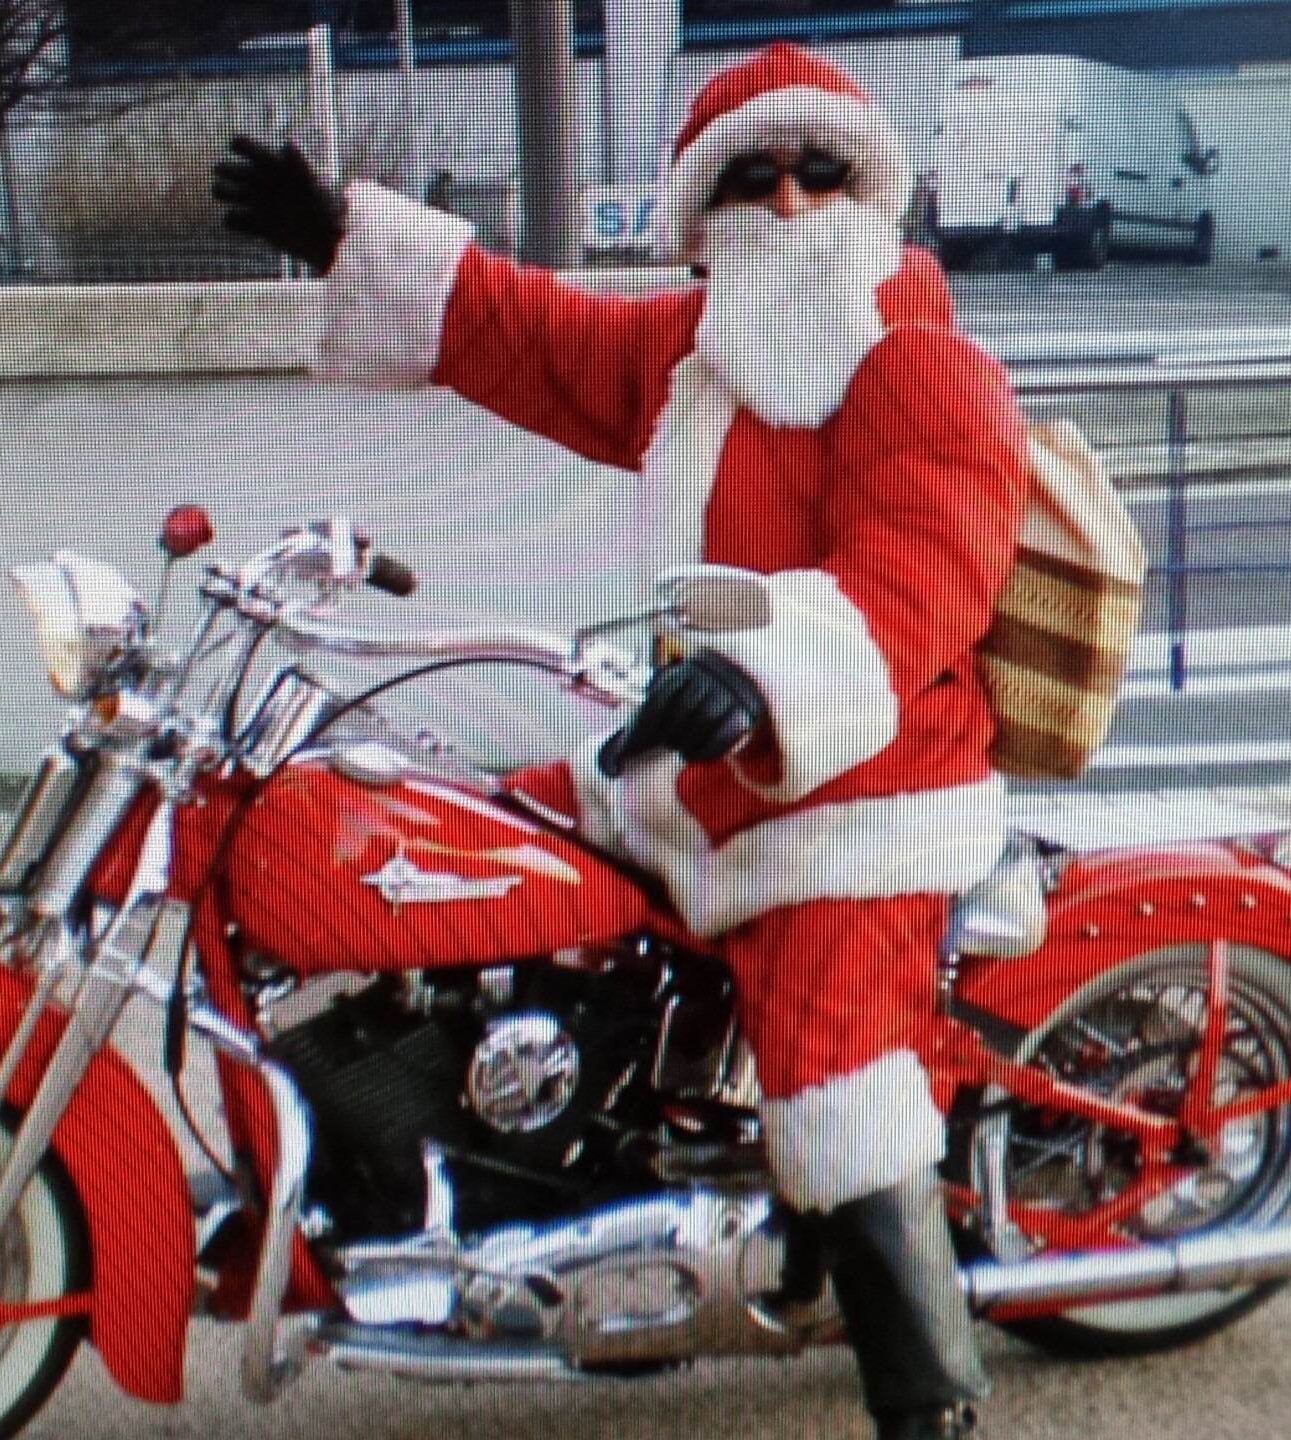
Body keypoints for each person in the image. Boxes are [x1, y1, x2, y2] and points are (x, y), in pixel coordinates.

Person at [214, 42, 1029, 1440]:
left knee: (835, 1080)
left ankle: (928, 1402)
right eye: (752, 177)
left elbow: (923, 569)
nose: (788, 204)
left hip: (859, 792)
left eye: (819, 172)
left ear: (868, 194)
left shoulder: (925, 371)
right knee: (448, 835)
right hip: (688, 772)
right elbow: (524, 331)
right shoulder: (688, 362)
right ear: (704, 217)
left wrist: (762, 678)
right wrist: (344, 233)